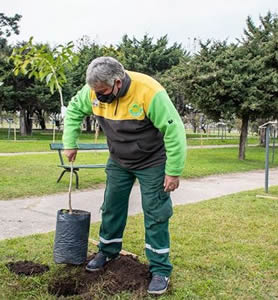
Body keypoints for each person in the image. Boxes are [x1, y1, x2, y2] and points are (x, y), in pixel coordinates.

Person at [62, 56, 186, 295]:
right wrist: (70, 142)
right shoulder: (93, 91)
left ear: (118, 82)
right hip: (119, 160)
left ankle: (160, 268)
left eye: (104, 91)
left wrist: (173, 171)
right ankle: (107, 252)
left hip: (152, 161)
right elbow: (75, 109)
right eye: (95, 91)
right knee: (111, 207)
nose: (99, 96)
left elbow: (174, 130)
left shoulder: (148, 91)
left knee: (156, 212)